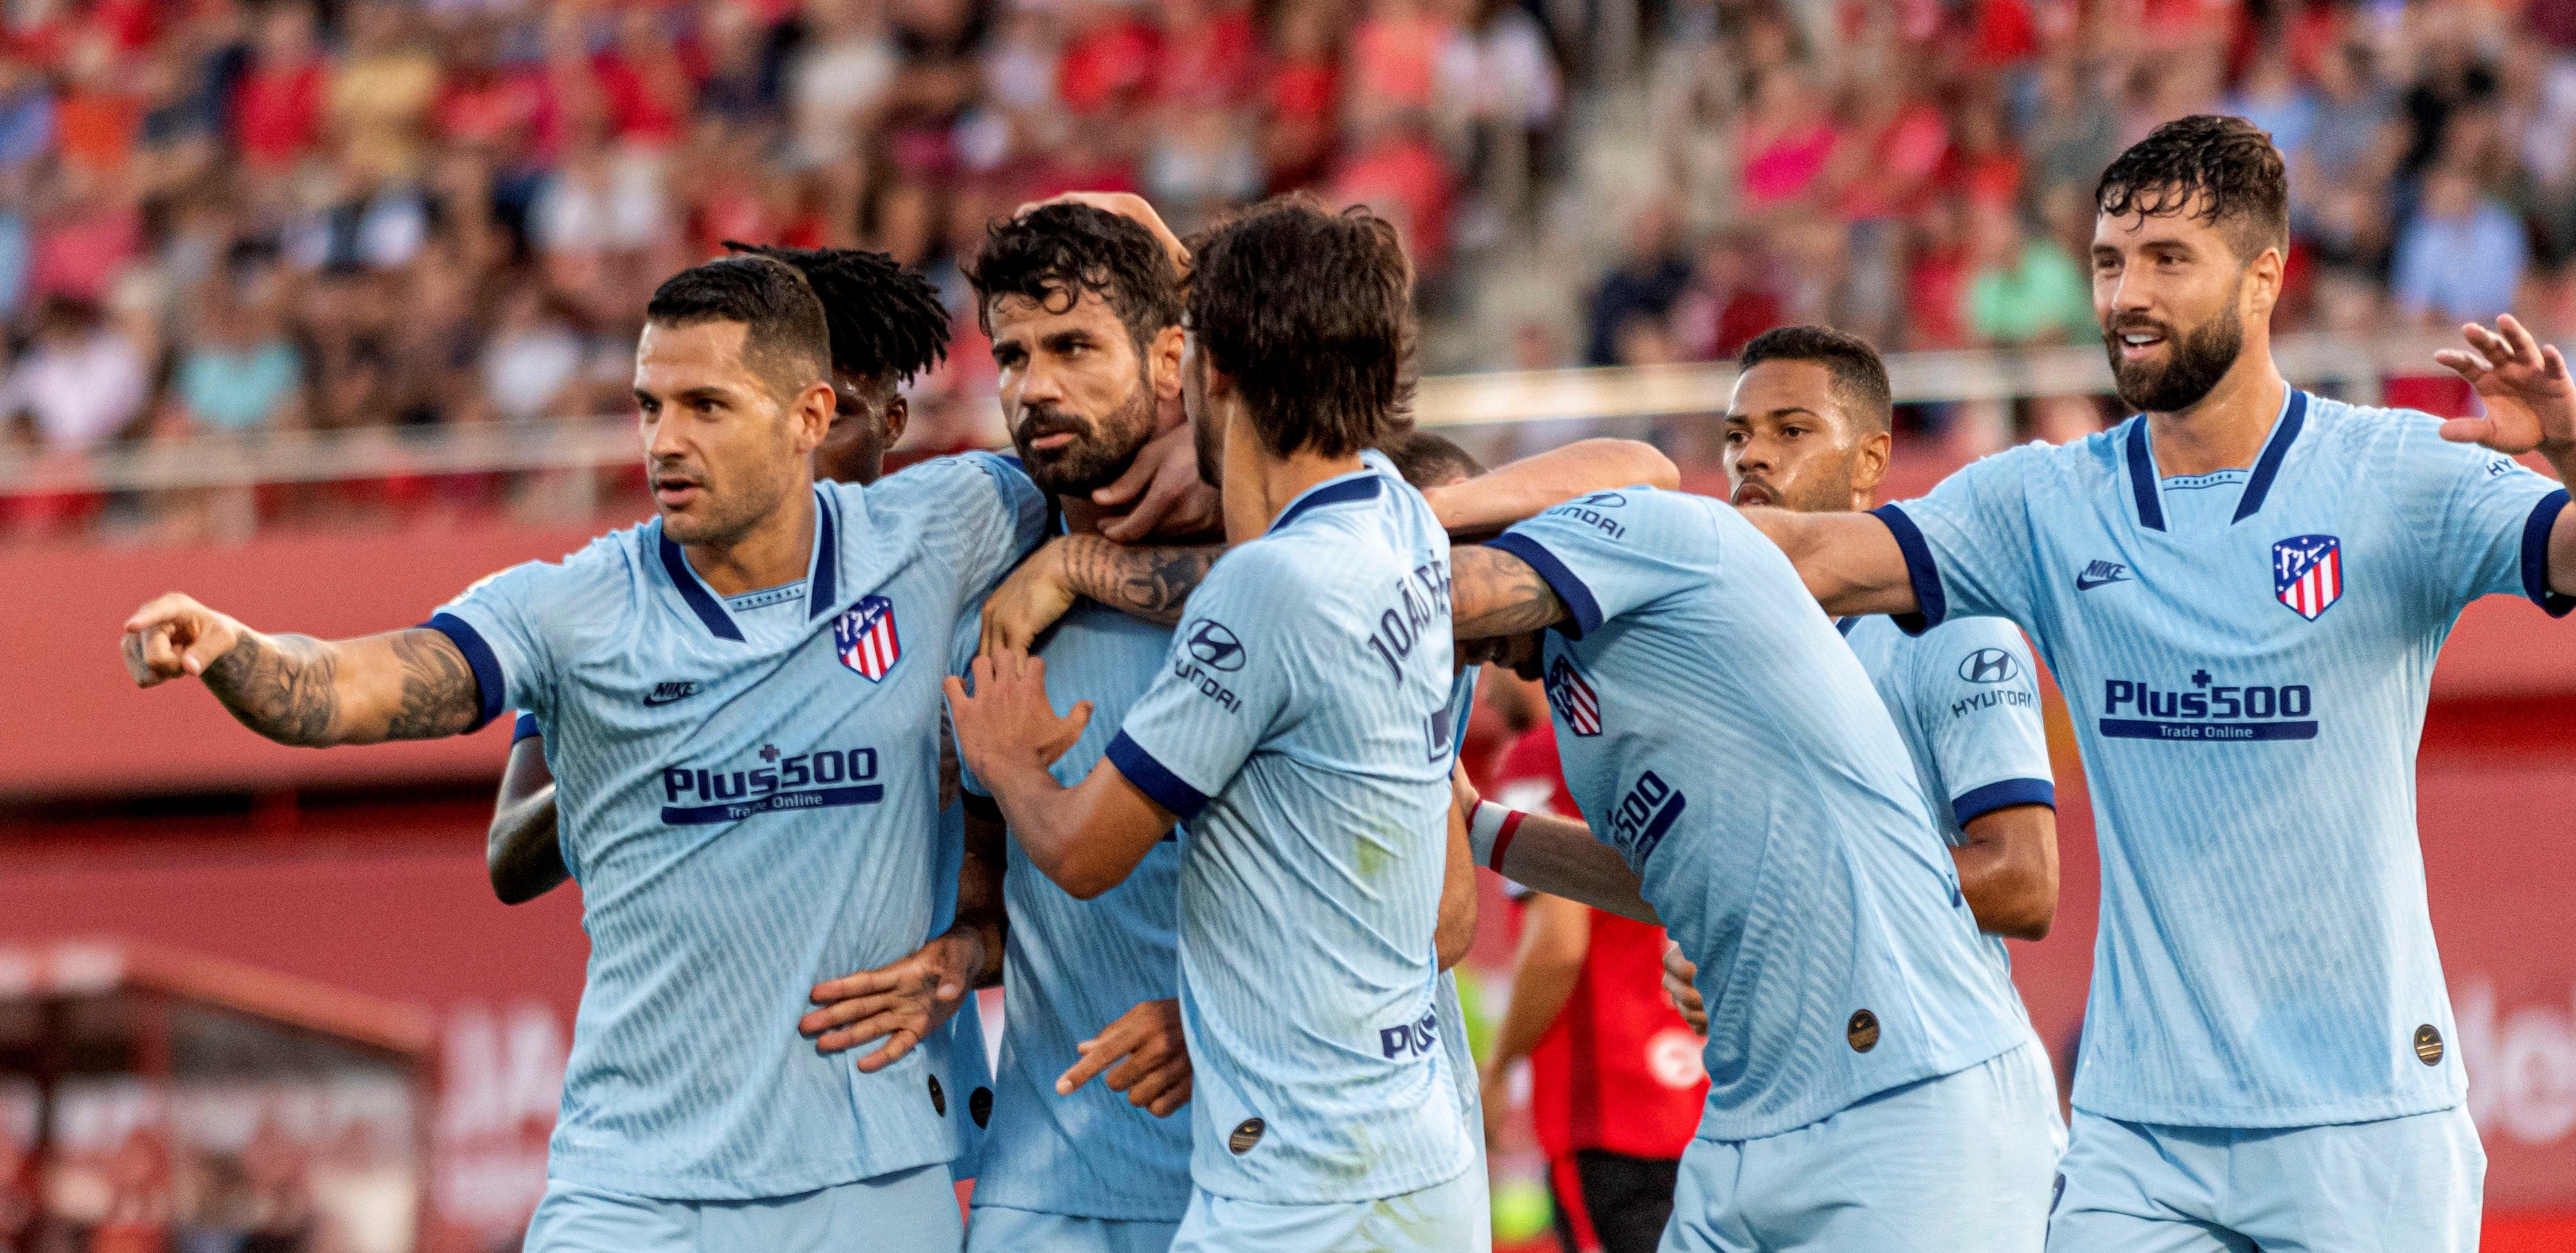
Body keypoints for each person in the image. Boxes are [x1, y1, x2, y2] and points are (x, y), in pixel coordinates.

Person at [1744, 115, 2576, 1252]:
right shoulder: (2040, 500)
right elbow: (1808, 558)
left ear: (2264, 278)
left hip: (2366, 1123)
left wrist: (2572, 450)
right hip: (2139, 1137)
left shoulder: (2392, 473)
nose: (2125, 294)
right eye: (2107, 261)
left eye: (2167, 260)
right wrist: (1546, 560)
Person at [119, 254, 1054, 1252]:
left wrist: (1069, 570)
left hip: (873, 1176)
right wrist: (234, 650)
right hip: (634, 1186)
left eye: (706, 405)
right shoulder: (577, 610)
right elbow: (354, 686)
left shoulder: (944, 529)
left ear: (809, 414)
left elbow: (1160, 462)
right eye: (650, 405)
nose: (666, 440)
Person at [946, 196, 1483, 1253]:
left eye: (1071, 346)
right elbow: (985, 892)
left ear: (1178, 362)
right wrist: (952, 953)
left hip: (1312, 1157)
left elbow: (1439, 911)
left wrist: (1217, 1017)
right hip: (1063, 1181)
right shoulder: (986, 607)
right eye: (1010, 354)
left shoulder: (1313, 580)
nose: (1031, 384)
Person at [1439, 482, 2062, 1244]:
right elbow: (1665, 875)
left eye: (1787, 427)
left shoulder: (1669, 540)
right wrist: (1481, 827)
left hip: (1907, 1096)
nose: (1751, 456)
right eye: (1735, 435)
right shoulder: (1589, 713)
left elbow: (1638, 462)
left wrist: (1373, 540)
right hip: (1745, 1113)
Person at [1477, 723, 1706, 1253]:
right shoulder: (1657, 737)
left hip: (1607, 1113)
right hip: (1697, 1097)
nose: (1483, 691)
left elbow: (1559, 943)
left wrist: (1499, 1067)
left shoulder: (1541, 754)